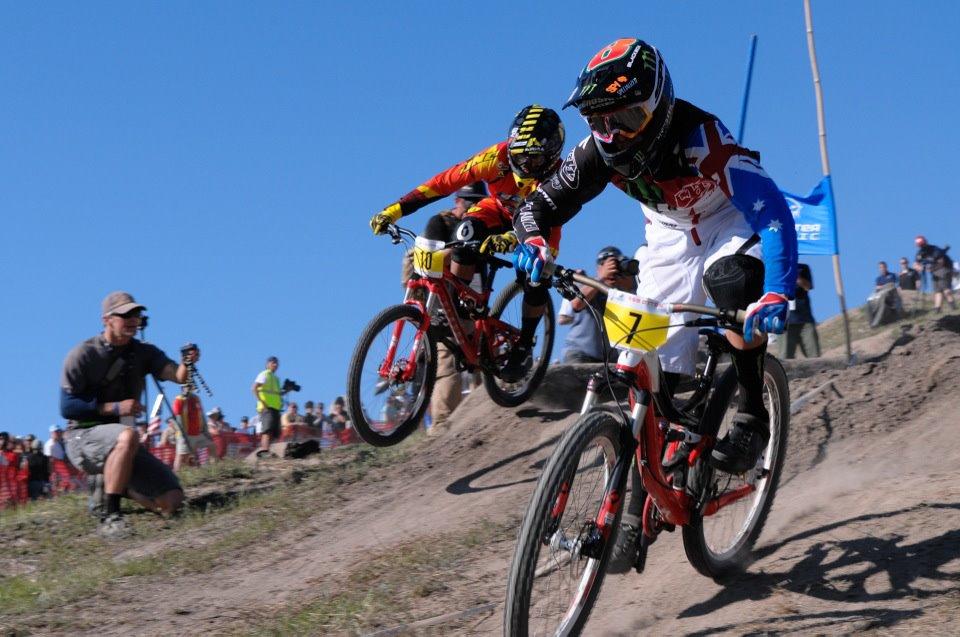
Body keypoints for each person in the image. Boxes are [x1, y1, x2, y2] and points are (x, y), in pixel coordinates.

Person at [513, 39, 797, 474]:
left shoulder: (703, 139)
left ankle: (753, 414)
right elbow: (536, 208)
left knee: (733, 284)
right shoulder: (595, 151)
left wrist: (778, 290)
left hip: (727, 217)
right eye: (598, 121)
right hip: (669, 233)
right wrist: (533, 242)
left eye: (626, 118)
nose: (613, 135)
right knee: (645, 358)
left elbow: (772, 210)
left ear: (659, 105)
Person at [371, 104, 566, 381]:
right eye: (518, 155)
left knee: (536, 274)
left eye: (532, 159)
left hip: (539, 226)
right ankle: (463, 306)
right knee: (464, 233)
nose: (523, 164)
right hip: (498, 210)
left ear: (551, 155)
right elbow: (443, 182)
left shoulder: (560, 178)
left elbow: (549, 230)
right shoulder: (495, 159)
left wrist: (511, 239)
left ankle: (523, 345)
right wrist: (397, 209)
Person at [59, 291, 195, 537]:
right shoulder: (83, 355)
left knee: (174, 501)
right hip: (82, 438)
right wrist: (114, 408)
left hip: (123, 443)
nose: (133, 320)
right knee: (127, 435)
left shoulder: (144, 352)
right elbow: (67, 408)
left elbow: (177, 376)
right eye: (125, 315)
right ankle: (111, 516)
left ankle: (117, 486)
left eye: (136, 314)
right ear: (107, 319)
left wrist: (188, 362)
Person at [558, 246, 637, 363]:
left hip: (609, 358)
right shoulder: (586, 283)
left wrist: (630, 283)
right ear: (598, 267)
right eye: (606, 264)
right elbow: (576, 304)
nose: (613, 271)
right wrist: (601, 279)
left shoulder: (622, 292)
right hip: (580, 353)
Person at [252, 356, 292, 456]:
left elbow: (278, 394)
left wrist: (287, 390)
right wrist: (262, 402)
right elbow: (254, 388)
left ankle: (268, 452)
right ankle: (265, 451)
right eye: (273, 362)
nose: (275, 364)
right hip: (266, 407)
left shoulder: (276, 379)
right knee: (267, 431)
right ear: (267, 364)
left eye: (277, 363)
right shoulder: (264, 374)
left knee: (275, 433)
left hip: (275, 408)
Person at [780, 263, 820, 359]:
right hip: (784, 321)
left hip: (805, 320)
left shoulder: (803, 268)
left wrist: (797, 277)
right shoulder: (776, 269)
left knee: (814, 357)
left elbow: (808, 287)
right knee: (785, 359)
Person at [915, 236, 957, 313]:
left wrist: (930, 268)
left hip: (944, 268)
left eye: (922, 244)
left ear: (925, 242)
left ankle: (953, 306)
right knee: (938, 290)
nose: (922, 246)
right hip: (934, 272)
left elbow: (941, 262)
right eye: (920, 245)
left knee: (946, 289)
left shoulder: (934, 249)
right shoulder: (920, 253)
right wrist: (920, 267)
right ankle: (937, 309)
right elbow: (916, 264)